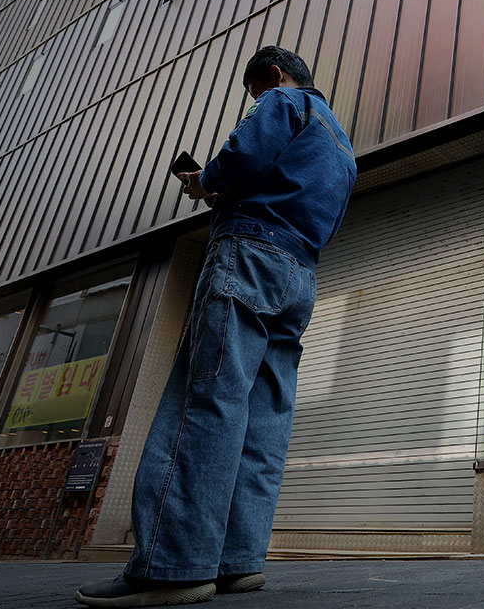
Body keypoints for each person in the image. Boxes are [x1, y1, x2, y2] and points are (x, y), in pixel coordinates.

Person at [76, 47, 356, 607]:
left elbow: (243, 154)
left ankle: (172, 567)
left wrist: (204, 182)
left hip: (249, 255)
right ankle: (237, 561)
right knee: (263, 418)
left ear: (273, 75)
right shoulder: (341, 143)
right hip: (300, 274)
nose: (255, 100)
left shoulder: (284, 100)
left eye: (253, 90)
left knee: (206, 399)